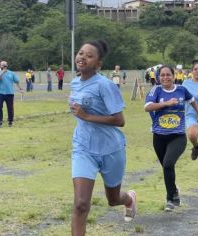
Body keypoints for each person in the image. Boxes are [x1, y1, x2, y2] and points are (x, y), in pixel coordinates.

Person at [69, 39, 136, 235]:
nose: (83, 58)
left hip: (110, 149)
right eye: (81, 53)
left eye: (89, 56)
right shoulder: (74, 82)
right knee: (81, 204)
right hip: (83, 148)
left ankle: (129, 199)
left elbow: (120, 120)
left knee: (113, 199)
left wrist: (87, 116)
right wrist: (84, 119)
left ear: (98, 64)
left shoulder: (105, 85)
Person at [145, 65, 198, 212]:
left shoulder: (181, 90)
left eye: (168, 75)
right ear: (158, 77)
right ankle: (175, 191)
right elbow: (147, 107)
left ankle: (170, 199)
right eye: (162, 75)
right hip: (159, 137)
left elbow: (192, 100)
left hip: (177, 136)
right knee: (166, 168)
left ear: (174, 75)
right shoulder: (156, 90)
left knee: (168, 164)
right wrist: (165, 103)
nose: (165, 77)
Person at [0, 60, 24, 128]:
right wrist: (2, 73)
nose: (3, 66)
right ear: (0, 66)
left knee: (10, 108)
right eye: (2, 65)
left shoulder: (12, 73)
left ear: (6, 66)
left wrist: (21, 89)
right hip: (0, 93)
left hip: (10, 93)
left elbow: (17, 81)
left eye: (4, 65)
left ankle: (10, 122)